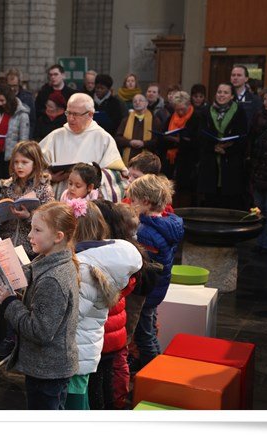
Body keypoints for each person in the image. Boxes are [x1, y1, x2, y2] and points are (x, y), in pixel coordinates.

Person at [0, 201, 80, 410]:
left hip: (47, 371)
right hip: (49, 368)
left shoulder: (53, 279)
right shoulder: (54, 261)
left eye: (37, 230)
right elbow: (35, 272)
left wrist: (9, 303)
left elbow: (40, 331)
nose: (29, 236)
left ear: (58, 236)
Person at [63, 199, 142, 410]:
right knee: (94, 392)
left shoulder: (84, 268)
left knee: (78, 403)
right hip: (97, 341)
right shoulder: (108, 259)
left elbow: (70, 315)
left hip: (79, 349)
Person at [92, 200, 160, 409]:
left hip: (112, 328)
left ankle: (117, 402)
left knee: (111, 369)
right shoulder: (127, 251)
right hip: (119, 327)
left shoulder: (112, 256)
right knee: (118, 363)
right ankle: (118, 401)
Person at [0, 141, 55, 359]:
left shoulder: (44, 188)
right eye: (16, 162)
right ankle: (9, 338)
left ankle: (23, 340)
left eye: (25, 162)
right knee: (8, 293)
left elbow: (50, 220)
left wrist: (29, 217)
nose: (19, 166)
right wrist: (3, 213)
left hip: (31, 250)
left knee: (28, 297)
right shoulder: (7, 186)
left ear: (35, 163)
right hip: (9, 245)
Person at [126, 175, 184, 370]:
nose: (130, 204)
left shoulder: (145, 232)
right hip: (157, 288)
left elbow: (140, 264)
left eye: (133, 200)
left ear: (145, 202)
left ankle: (155, 373)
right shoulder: (169, 223)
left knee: (144, 336)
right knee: (148, 329)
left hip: (146, 292)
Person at [39, 93, 125, 200]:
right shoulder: (56, 136)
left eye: (75, 114)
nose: (70, 118)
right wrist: (50, 176)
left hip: (89, 204)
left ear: (90, 114)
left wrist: (89, 178)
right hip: (58, 200)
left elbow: (116, 174)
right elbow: (34, 166)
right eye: (68, 113)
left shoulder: (103, 138)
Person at [195, 82, 249, 209]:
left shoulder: (239, 111)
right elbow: (200, 134)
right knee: (210, 202)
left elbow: (243, 135)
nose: (221, 95)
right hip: (210, 159)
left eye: (225, 93)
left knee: (228, 202)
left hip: (231, 160)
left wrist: (227, 149)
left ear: (231, 96)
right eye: (219, 92)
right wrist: (213, 147)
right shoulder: (206, 110)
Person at [248, 86, 267, 255]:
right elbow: (253, 141)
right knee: (260, 209)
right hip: (259, 170)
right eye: (264, 100)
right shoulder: (259, 116)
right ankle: (259, 241)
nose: (265, 103)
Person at [0, 84, 30, 199]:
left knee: (11, 185)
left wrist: (19, 158)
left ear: (9, 99)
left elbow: (24, 140)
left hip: (12, 156)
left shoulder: (22, 114)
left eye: (2, 100)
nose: (0, 103)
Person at [160, 91, 199, 207]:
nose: (180, 112)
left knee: (185, 194)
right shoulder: (170, 118)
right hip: (171, 161)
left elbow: (198, 141)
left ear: (188, 105)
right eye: (177, 110)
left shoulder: (196, 117)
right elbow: (162, 138)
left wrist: (180, 141)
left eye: (182, 109)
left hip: (188, 162)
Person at [115, 94, 162, 166]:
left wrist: (144, 143)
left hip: (148, 158)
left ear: (146, 103)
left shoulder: (154, 120)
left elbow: (158, 140)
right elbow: (118, 138)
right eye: (135, 101)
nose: (137, 102)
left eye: (140, 100)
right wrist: (129, 142)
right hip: (130, 157)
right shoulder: (126, 120)